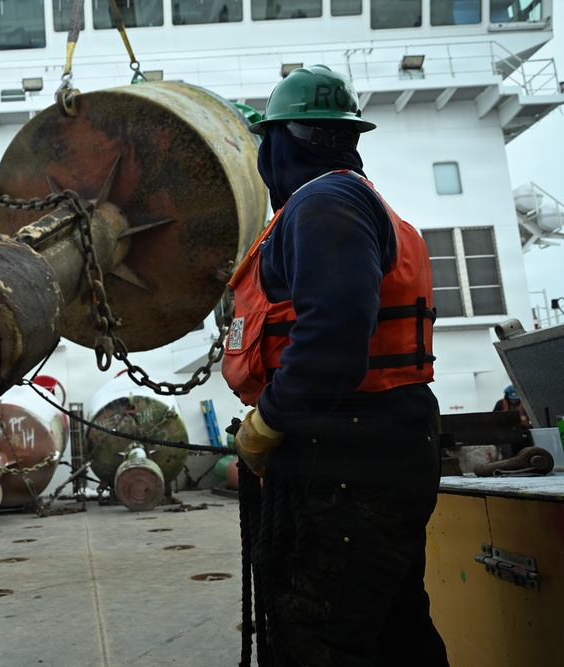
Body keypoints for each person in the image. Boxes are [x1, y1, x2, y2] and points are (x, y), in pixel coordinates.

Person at [221, 65, 449, 666]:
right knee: (396, 632)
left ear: (279, 144)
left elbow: (336, 332)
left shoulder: (326, 203)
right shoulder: (353, 201)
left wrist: (268, 421)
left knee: (318, 638)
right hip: (383, 439)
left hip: (346, 452)